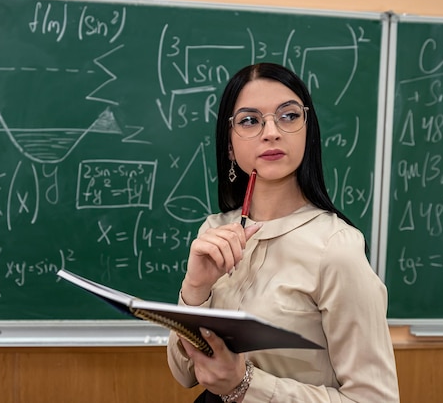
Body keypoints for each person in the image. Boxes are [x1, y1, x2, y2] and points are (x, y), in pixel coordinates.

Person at [166, 62, 400, 402]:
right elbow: (184, 373)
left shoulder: (336, 247)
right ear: (229, 145)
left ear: (308, 130)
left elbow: (377, 399)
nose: (271, 131)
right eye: (249, 120)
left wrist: (245, 385)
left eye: (288, 116)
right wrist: (195, 287)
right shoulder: (215, 230)